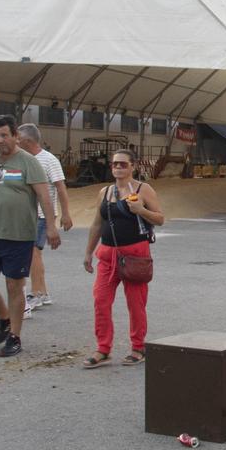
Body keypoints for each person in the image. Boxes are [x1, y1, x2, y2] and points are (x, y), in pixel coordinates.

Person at [0, 115, 59, 358]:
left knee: (14, 286)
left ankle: (15, 337)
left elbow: (44, 197)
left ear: (15, 135)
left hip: (18, 236)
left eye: (4, 135)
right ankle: (4, 317)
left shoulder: (28, 162)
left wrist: (51, 226)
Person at [82, 149, 165, 368]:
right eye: (114, 164)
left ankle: (138, 347)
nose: (118, 168)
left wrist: (140, 210)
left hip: (135, 255)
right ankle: (103, 348)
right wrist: (88, 252)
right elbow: (97, 224)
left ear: (133, 166)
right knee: (101, 301)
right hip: (107, 255)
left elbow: (160, 219)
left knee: (136, 303)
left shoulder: (143, 189)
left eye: (123, 164)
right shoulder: (105, 192)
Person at [15, 124, 72, 312]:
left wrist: (65, 213)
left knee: (33, 253)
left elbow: (61, 187)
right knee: (31, 253)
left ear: (28, 141)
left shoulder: (48, 160)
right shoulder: (22, 159)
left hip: (41, 214)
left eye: (18, 138)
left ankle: (37, 293)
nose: (16, 141)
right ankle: (43, 292)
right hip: (26, 214)